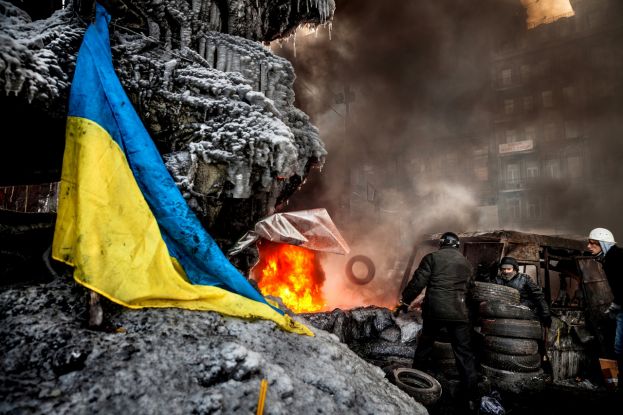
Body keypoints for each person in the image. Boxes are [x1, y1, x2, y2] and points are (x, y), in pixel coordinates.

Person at [397, 231, 479, 411]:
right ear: (457, 245)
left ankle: (415, 386)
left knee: (425, 347)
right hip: (459, 313)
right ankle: (471, 397)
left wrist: (405, 301)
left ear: (441, 244)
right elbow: (471, 287)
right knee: (464, 354)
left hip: (435, 312)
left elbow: (418, 282)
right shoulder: (465, 262)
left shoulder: (432, 258)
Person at [586, 227, 623, 390]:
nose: (589, 246)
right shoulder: (610, 258)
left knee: (619, 347)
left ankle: (616, 384)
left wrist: (615, 306)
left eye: (593, 243)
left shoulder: (615, 259)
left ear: (604, 244)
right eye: (589, 242)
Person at [491, 256, 552, 328]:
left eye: (509, 269)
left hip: (523, 311)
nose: (506, 271)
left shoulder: (524, 279)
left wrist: (546, 314)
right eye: (503, 269)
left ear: (515, 269)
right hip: (503, 311)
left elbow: (538, 296)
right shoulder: (497, 280)